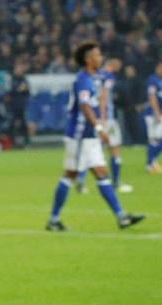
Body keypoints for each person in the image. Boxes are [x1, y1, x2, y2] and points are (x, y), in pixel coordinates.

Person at [46, 41, 144, 231]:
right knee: (72, 174)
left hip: (88, 136)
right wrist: (99, 128)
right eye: (97, 55)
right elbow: (84, 106)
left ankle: (121, 217)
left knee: (100, 173)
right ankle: (54, 220)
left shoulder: (93, 78)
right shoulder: (83, 79)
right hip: (80, 136)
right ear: (88, 59)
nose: (100, 58)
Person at [77, 58, 132, 192]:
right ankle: (116, 182)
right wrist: (103, 117)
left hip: (92, 118)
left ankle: (81, 180)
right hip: (107, 119)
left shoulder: (93, 75)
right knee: (114, 149)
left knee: (89, 150)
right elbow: (104, 95)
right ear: (113, 64)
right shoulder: (109, 77)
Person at [8, 61, 30, 148]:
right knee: (12, 124)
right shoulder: (12, 79)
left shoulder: (24, 79)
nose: (19, 70)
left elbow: (27, 92)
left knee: (24, 124)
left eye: (20, 68)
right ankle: (12, 142)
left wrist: (22, 89)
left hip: (22, 105)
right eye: (17, 68)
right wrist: (20, 89)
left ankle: (27, 142)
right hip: (13, 105)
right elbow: (11, 92)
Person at [145, 61, 162, 173]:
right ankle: (151, 163)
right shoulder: (153, 80)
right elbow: (152, 97)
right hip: (153, 114)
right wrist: (156, 113)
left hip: (159, 114)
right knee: (154, 140)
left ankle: (151, 163)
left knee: (155, 140)